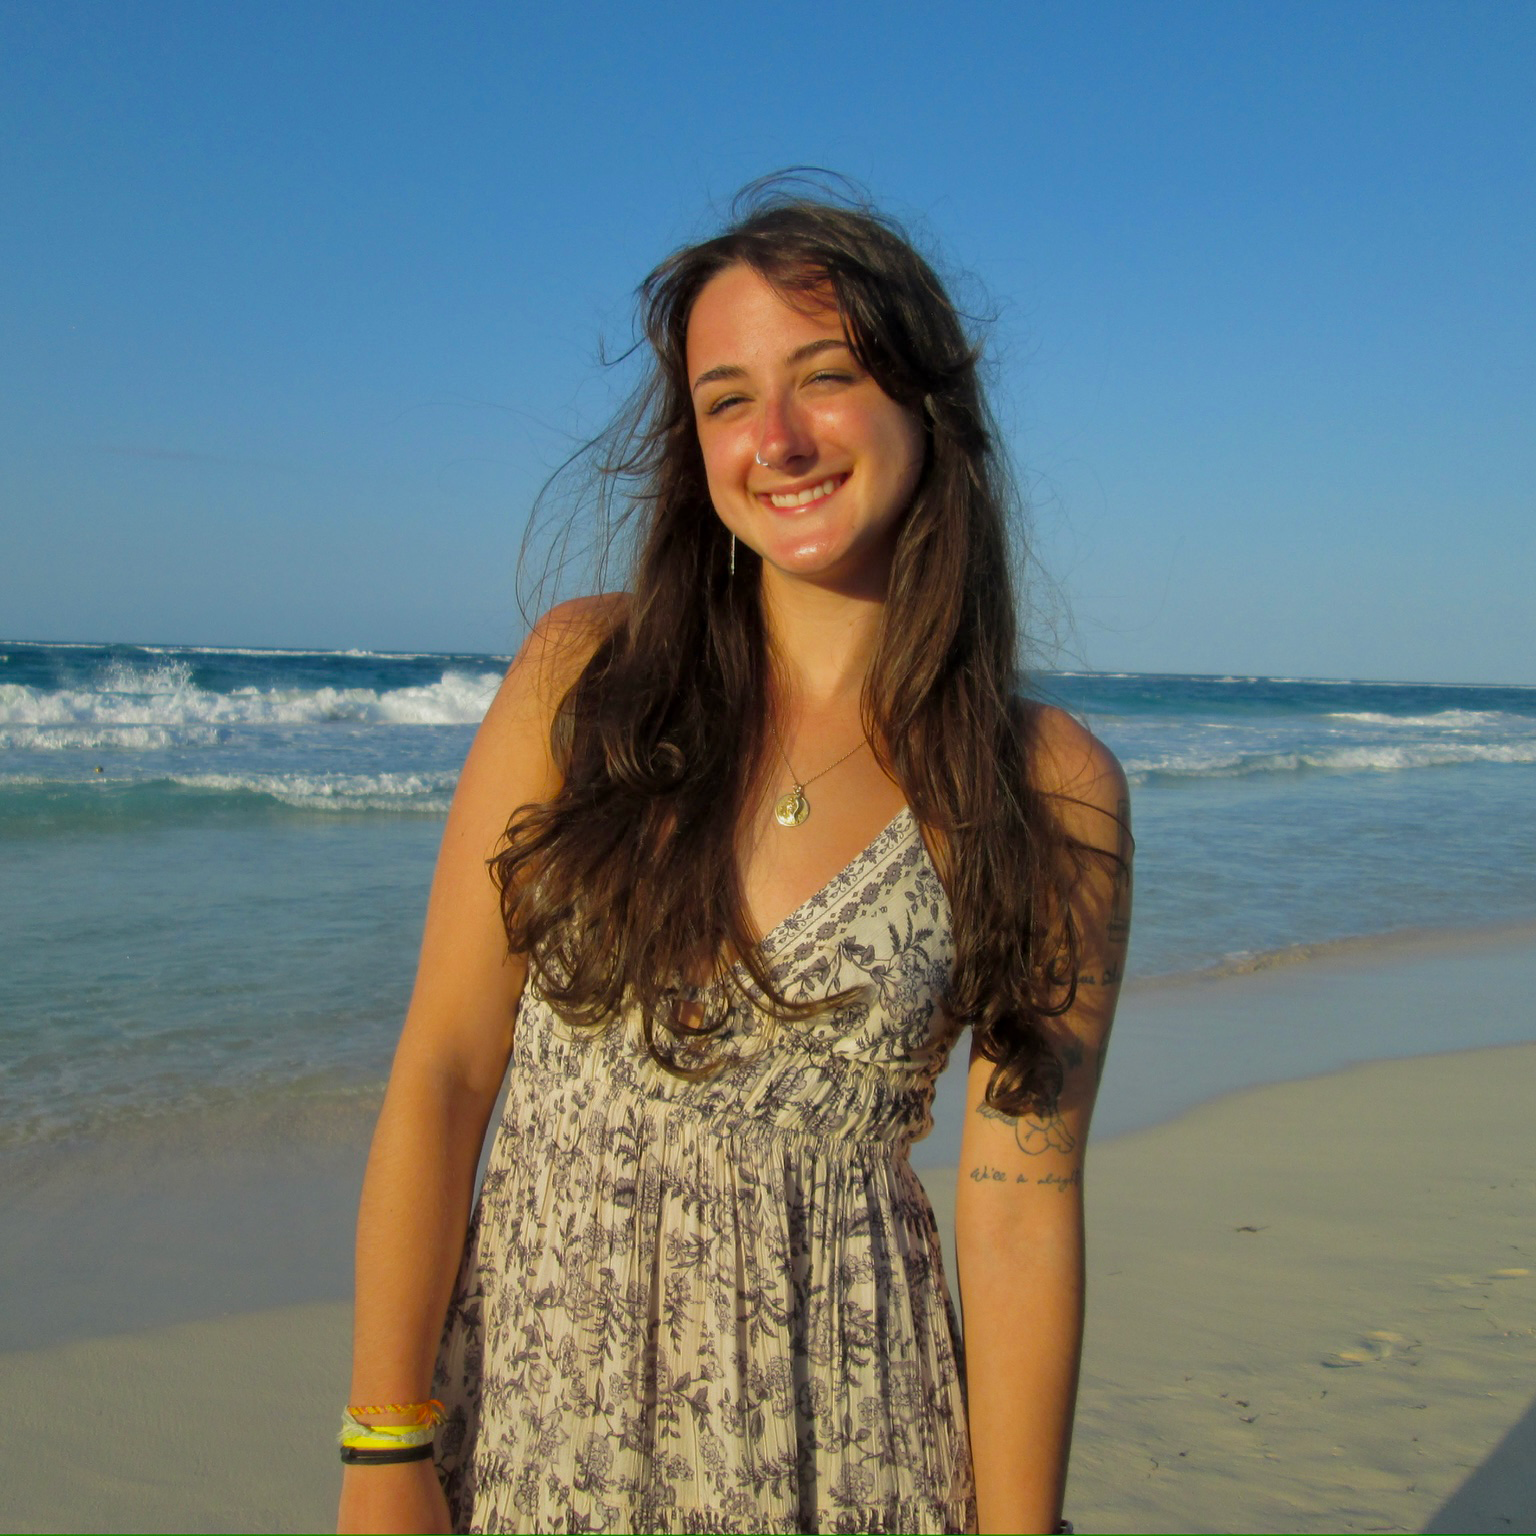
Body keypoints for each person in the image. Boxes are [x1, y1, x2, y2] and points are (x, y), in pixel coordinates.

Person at [337, 177, 1131, 1536]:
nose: (776, 436)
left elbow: (1019, 1207)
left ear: (925, 407)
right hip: (535, 1429)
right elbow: (445, 1074)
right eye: (724, 399)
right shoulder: (583, 684)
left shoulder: (1046, 788)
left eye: (824, 376)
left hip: (848, 1441)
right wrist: (382, 1444)